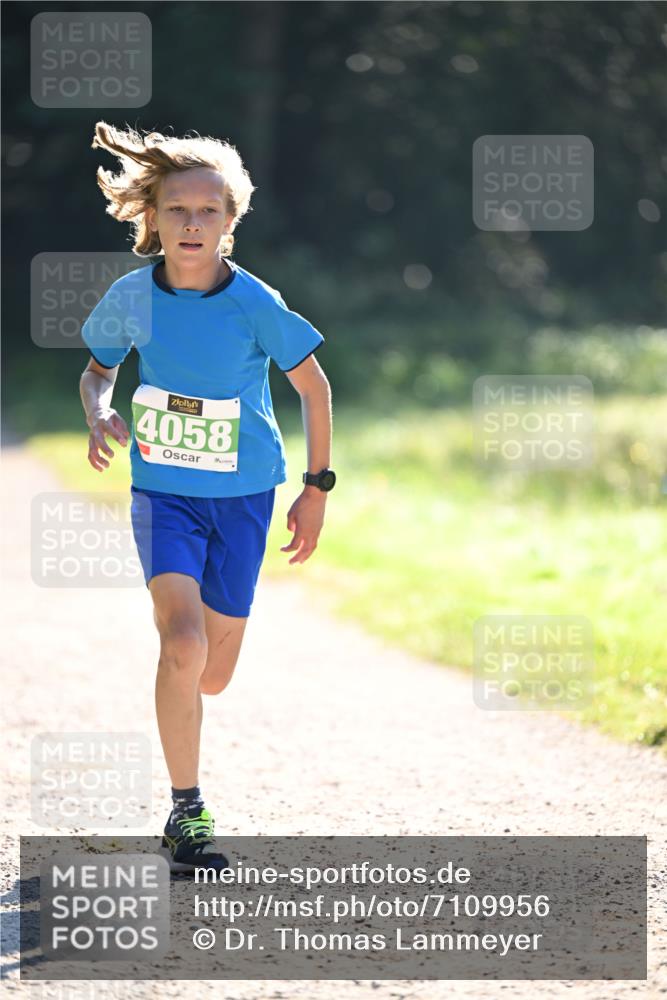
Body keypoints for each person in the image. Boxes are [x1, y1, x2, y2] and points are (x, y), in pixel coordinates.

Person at [79, 122, 335, 873]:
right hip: (164, 493)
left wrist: (315, 489)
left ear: (230, 221)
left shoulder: (254, 302)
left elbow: (314, 390)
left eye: (208, 211)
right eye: (177, 209)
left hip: (246, 495)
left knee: (212, 673)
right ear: (150, 217)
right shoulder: (132, 295)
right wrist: (100, 410)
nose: (192, 224)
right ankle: (186, 810)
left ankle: (192, 716)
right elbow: (98, 370)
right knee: (182, 643)